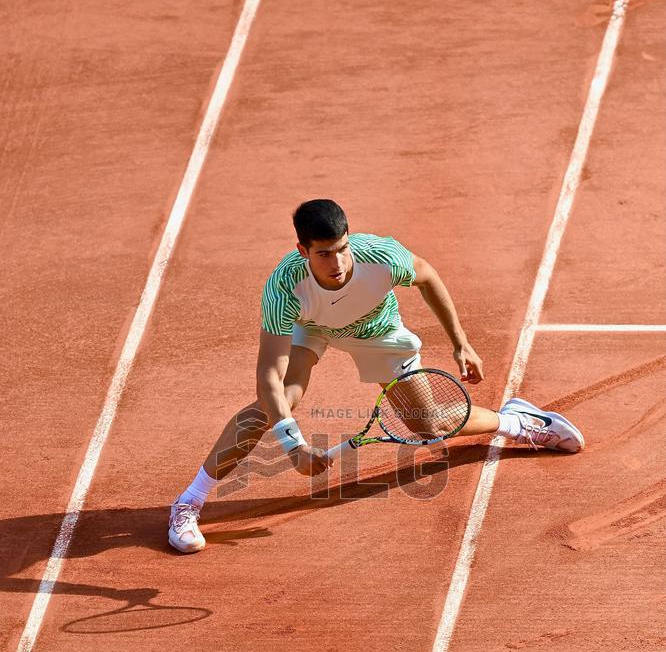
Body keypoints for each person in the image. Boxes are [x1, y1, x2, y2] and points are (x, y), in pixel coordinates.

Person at [168, 199, 584, 553]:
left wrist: (460, 341)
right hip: (313, 326)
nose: (338, 262)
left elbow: (427, 276)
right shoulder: (283, 291)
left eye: (342, 249)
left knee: (429, 424)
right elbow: (269, 378)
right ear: (302, 251)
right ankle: (189, 502)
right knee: (274, 404)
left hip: (376, 329)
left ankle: (518, 421)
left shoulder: (380, 258)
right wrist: (293, 444)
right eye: (325, 254)